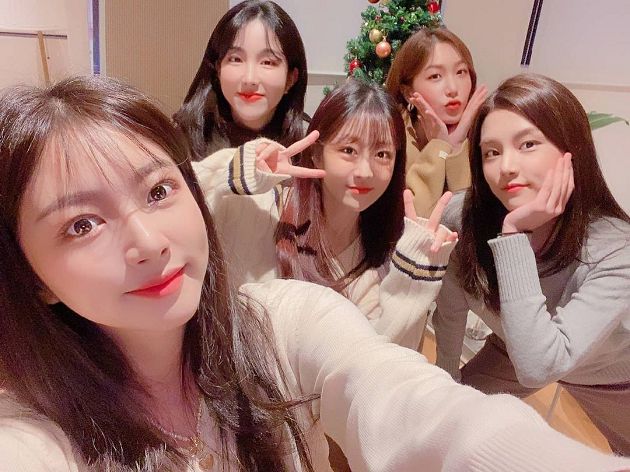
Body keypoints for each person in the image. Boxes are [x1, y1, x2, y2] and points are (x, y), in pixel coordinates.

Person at [2, 75, 630, 472]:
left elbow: (410, 397)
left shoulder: (285, 317)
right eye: (81, 224)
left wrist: (417, 277)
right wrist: (238, 173)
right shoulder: (32, 436)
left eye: (159, 191)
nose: (146, 242)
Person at [432, 73, 630, 456]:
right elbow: (451, 310)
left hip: (612, 381)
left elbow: (540, 365)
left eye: (527, 144)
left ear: (571, 150)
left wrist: (513, 236)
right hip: (514, 349)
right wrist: (445, 384)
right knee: (447, 420)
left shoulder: (616, 249)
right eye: (491, 152)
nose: (506, 166)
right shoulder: (464, 216)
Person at [194, 78, 457, 352]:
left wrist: (411, 283)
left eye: (382, 154)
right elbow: (181, 199)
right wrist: (237, 169)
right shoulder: (262, 211)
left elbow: (378, 364)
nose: (365, 171)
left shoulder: (381, 261)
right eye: (348, 150)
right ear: (317, 154)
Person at [173, 0, 308, 158]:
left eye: (267, 62)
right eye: (236, 59)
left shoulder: (308, 144)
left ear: (291, 78)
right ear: (218, 69)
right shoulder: (181, 139)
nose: (249, 79)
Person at [385, 27, 487, 217]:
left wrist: (456, 148)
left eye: (461, 72)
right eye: (435, 76)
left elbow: (470, 221)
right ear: (408, 92)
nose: (452, 88)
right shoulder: (391, 138)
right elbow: (414, 222)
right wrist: (439, 147)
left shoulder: (484, 135)